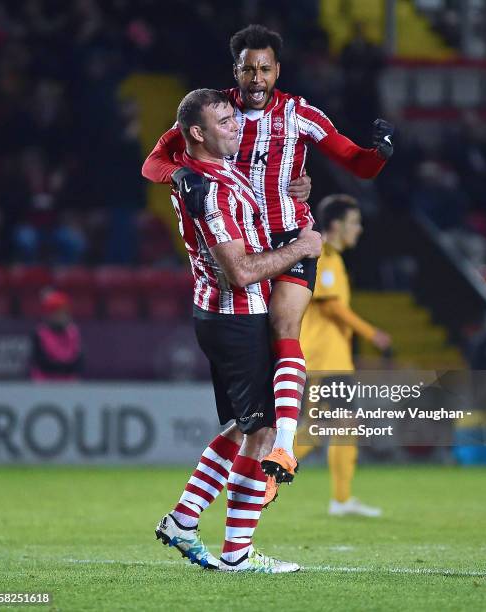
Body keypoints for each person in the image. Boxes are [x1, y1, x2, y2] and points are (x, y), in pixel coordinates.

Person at [142, 24, 393, 482]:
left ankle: (282, 447)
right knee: (257, 353)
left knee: (285, 326)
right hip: (242, 244)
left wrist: (379, 153)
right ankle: (259, 447)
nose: (256, 78)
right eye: (247, 69)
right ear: (234, 71)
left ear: (277, 70)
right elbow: (152, 162)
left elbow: (356, 161)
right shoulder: (213, 114)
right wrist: (178, 176)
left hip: (290, 237)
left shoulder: (300, 114)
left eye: (264, 69)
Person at [154, 88, 322, 573]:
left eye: (234, 117)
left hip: (224, 316)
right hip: (236, 317)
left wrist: (299, 186)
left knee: (237, 427)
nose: (237, 126)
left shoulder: (213, 172)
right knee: (262, 431)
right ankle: (238, 554)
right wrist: (302, 247)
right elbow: (241, 272)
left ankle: (184, 520)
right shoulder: (212, 190)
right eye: (225, 122)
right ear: (197, 134)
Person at [295, 194, 391, 516]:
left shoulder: (332, 257)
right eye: (354, 223)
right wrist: (371, 333)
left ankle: (342, 499)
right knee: (315, 430)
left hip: (332, 358)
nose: (359, 229)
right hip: (325, 359)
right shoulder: (324, 256)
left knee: (340, 427)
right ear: (336, 225)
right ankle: (257, 477)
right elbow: (331, 305)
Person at [30, 290, 83, 381]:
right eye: (57, 312)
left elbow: (79, 362)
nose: (61, 315)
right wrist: (64, 367)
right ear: (49, 314)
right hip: (44, 384)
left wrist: (65, 368)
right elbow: (42, 362)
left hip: (69, 384)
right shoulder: (40, 333)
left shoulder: (73, 332)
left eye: (64, 312)